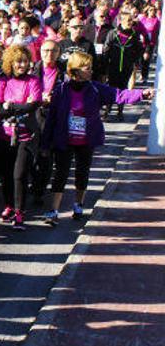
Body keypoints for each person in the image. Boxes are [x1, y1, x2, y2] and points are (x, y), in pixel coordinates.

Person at [41, 51, 154, 225]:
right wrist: (45, 143)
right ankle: (53, 210)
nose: (91, 71)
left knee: (82, 173)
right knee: (60, 174)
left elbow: (119, 95)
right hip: (64, 139)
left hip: (86, 140)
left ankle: (78, 205)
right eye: (88, 68)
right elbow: (52, 118)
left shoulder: (95, 88)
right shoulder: (61, 90)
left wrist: (142, 94)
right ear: (75, 70)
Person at [0, 45, 42, 230]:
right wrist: (19, 105)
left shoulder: (33, 80)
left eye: (25, 61)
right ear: (10, 63)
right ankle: (9, 206)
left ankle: (20, 212)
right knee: (6, 174)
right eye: (18, 61)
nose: (22, 65)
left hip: (26, 136)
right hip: (5, 135)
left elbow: (33, 105)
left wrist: (9, 106)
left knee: (19, 174)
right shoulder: (2, 81)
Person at [102, 8, 145, 121]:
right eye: (128, 20)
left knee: (123, 88)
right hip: (113, 66)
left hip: (126, 66)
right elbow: (106, 49)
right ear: (121, 21)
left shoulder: (134, 35)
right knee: (111, 88)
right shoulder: (113, 33)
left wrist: (134, 60)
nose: (131, 22)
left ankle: (120, 111)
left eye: (131, 20)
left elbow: (140, 49)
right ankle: (107, 111)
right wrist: (105, 65)